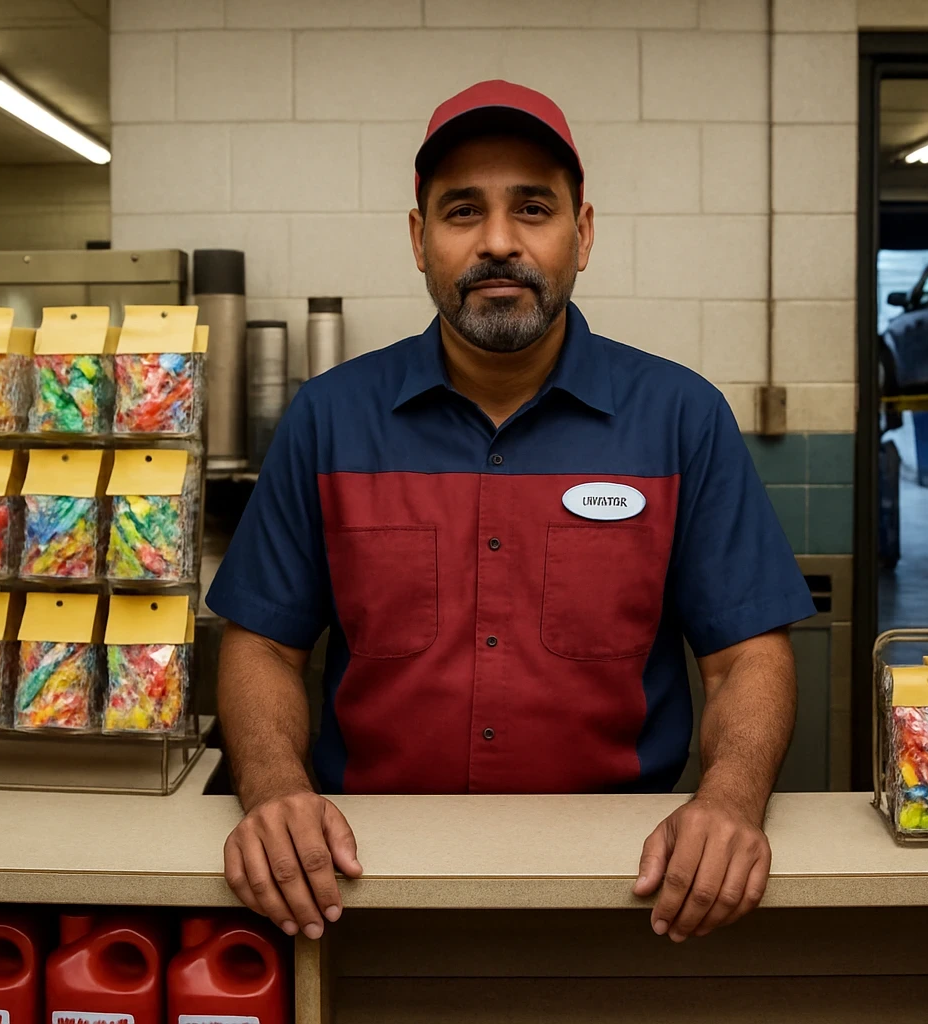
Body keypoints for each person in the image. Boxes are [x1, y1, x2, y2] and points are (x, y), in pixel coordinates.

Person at [207, 80, 815, 946]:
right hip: (360, 881)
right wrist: (272, 790)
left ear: (584, 233)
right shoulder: (330, 418)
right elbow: (263, 644)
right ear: (420, 240)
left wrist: (728, 800)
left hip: (630, 884)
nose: (498, 242)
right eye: (462, 212)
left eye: (533, 208)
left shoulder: (681, 418)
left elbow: (746, 658)